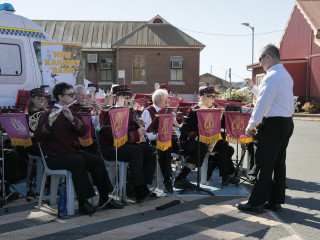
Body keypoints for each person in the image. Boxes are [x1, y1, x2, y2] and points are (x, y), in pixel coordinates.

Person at [34, 82, 124, 215]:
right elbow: (39, 136)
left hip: (72, 153)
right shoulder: (47, 114)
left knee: (96, 161)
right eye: (70, 94)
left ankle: (104, 198)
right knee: (78, 162)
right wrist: (50, 123)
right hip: (54, 156)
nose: (73, 97)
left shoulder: (71, 112)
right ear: (60, 96)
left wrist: (72, 119)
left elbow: (84, 131)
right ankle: (83, 202)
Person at [236, 44, 294, 213]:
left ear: (268, 56)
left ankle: (256, 202)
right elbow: (269, 96)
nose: (260, 63)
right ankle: (275, 201)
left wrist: (251, 125)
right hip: (285, 123)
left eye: (261, 59)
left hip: (274, 124)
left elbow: (263, 102)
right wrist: (253, 87)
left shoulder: (272, 76)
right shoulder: (285, 75)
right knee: (278, 163)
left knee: (264, 163)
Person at [98, 85, 157, 203]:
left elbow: (128, 127)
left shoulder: (128, 110)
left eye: (129, 96)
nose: (128, 99)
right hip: (111, 147)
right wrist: (136, 133)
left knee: (152, 151)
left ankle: (141, 185)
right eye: (125, 96)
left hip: (125, 145)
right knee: (136, 151)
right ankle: (138, 189)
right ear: (115, 97)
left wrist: (137, 123)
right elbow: (113, 135)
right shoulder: (108, 111)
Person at [141, 89, 175, 193]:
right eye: (164, 101)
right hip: (151, 142)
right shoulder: (148, 112)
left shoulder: (166, 111)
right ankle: (167, 179)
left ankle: (173, 177)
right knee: (164, 149)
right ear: (156, 101)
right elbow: (145, 134)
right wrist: (160, 135)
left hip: (164, 141)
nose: (166, 103)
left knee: (170, 147)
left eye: (166, 100)